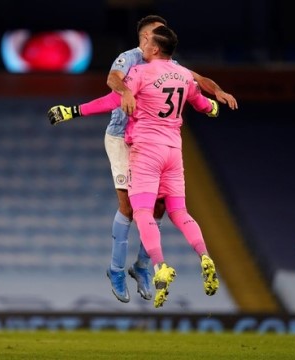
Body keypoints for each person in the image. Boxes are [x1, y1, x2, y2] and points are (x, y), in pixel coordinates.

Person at [53, 15, 237, 305]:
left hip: (145, 143)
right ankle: (116, 270)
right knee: (129, 207)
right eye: (152, 34)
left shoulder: (168, 66)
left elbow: (199, 79)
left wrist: (218, 92)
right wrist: (124, 91)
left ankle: (143, 266)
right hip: (122, 137)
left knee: (158, 207)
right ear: (145, 38)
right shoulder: (129, 60)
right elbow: (112, 81)